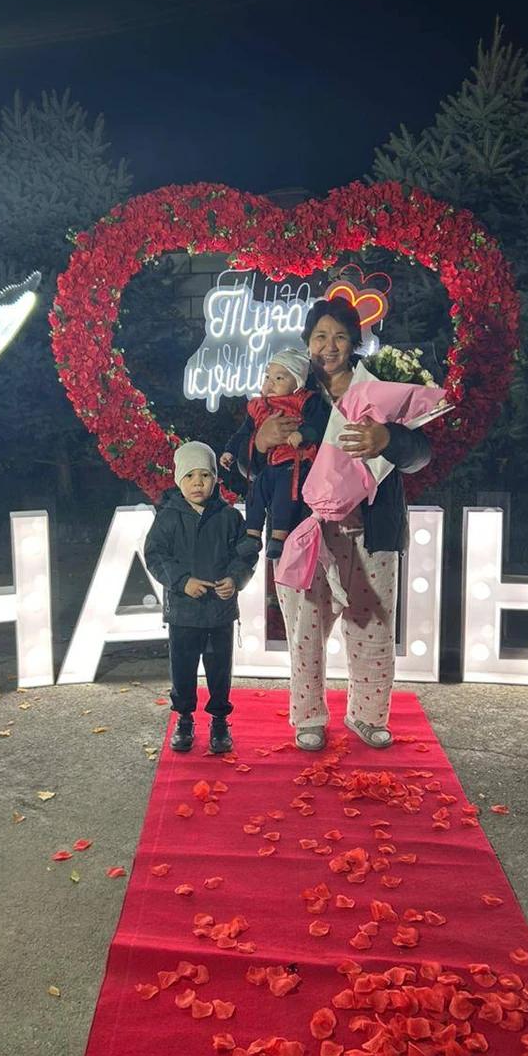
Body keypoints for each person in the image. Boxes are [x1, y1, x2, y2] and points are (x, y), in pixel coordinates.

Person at [256, 297, 432, 753]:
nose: (329, 346)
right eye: (320, 336)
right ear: (307, 342)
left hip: (372, 529)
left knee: (373, 625)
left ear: (355, 341)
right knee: (306, 627)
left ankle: (368, 715)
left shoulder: (382, 386)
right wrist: (259, 443)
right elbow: (253, 467)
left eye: (339, 336)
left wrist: (387, 438)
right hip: (303, 530)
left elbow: (420, 454)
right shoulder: (289, 388)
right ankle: (308, 716)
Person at [144, 441, 257, 754]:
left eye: (205, 475)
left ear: (215, 479)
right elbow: (155, 555)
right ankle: (184, 718)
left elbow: (245, 554)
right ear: (179, 480)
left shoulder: (230, 517)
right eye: (190, 475)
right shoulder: (168, 518)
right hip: (183, 613)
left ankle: (219, 720)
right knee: (182, 669)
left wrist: (234, 580)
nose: (198, 482)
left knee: (219, 670)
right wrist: (182, 582)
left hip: (220, 613)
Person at [219, 349, 330, 560]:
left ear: (297, 383)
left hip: (293, 463)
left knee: (283, 496)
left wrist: (302, 434)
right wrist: (230, 451)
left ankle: (278, 538)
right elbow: (243, 433)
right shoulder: (259, 407)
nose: (270, 383)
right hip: (270, 464)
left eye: (279, 378)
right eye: (267, 377)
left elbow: (319, 424)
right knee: (255, 493)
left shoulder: (305, 401)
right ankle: (252, 535)